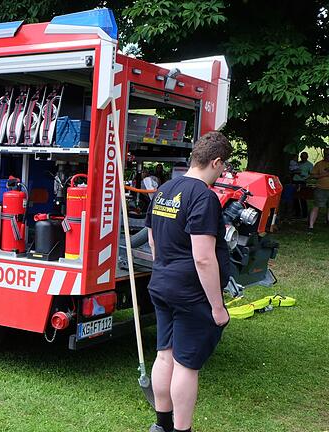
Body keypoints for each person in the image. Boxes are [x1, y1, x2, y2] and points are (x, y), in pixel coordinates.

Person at [145, 131, 232, 432]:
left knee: (164, 355)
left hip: (161, 284)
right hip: (190, 293)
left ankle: (161, 426)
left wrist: (164, 269)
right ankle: (182, 430)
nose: (224, 173)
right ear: (216, 162)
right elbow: (204, 258)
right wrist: (218, 308)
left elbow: (153, 240)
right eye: (224, 167)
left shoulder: (165, 189)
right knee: (185, 364)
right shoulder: (204, 197)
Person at [309, 149, 329, 230]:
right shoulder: (319, 164)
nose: (328, 155)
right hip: (321, 188)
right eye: (326, 154)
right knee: (317, 206)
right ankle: (311, 226)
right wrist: (325, 174)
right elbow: (312, 176)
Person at [293, 152, 313, 219]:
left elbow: (312, 174)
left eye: (304, 157)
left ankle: (304, 214)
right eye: (302, 156)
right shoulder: (297, 163)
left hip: (302, 182)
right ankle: (297, 213)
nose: (303, 158)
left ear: (307, 157)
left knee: (302, 198)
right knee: (295, 198)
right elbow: (293, 171)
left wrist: (306, 177)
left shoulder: (309, 164)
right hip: (295, 181)